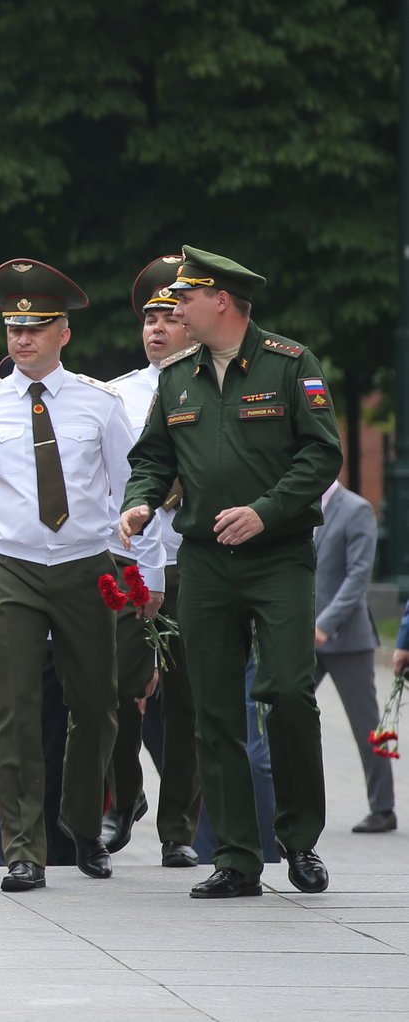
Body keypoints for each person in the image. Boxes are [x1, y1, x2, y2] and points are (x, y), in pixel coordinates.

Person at [120, 244, 342, 899]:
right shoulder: (177, 377)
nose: (174, 309)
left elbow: (321, 455)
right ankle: (238, 858)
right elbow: (153, 458)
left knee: (287, 692)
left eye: (185, 298)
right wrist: (140, 501)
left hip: (278, 557)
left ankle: (298, 840)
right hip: (205, 562)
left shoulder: (290, 364)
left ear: (221, 301)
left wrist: (264, 512)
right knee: (213, 709)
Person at [0, 260, 163, 893]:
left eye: (36, 328)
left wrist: (146, 575)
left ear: (63, 333)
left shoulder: (100, 403)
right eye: (14, 329)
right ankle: (23, 849)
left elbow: (133, 490)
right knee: (14, 709)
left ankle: (83, 827)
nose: (22, 339)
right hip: (8, 566)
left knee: (95, 706)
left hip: (86, 565)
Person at [103, 256, 203, 868]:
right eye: (149, 318)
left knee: (189, 697)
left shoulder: (221, 387)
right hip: (132, 560)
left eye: (171, 316)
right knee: (113, 684)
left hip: (195, 558)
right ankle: (126, 793)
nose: (157, 328)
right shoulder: (117, 396)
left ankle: (179, 830)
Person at [314, 479, 392, 833]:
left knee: (368, 727)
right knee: (279, 713)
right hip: (304, 636)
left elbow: (358, 576)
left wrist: (326, 624)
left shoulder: (357, 509)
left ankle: (383, 808)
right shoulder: (297, 507)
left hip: (348, 639)